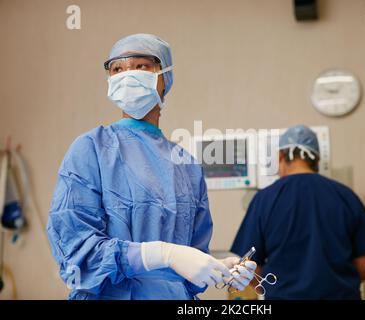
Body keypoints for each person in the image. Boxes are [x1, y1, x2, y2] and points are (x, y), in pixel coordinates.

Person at [47, 33, 255, 300]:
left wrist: (219, 268)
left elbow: (191, 256)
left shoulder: (187, 165)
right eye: (117, 69)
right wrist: (164, 254)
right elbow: (77, 255)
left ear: (164, 76)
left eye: (141, 66)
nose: (127, 75)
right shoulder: (91, 149)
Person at [231, 125, 365, 299]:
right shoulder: (346, 196)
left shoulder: (264, 200)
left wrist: (274, 291)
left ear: (281, 156)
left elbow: (249, 266)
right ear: (317, 161)